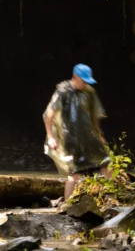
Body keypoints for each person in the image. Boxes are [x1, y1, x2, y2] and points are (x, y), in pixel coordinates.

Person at [43, 64, 112, 199]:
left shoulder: (90, 92)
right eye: (83, 80)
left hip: (90, 136)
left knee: (106, 164)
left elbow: (94, 116)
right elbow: (48, 115)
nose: (86, 83)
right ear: (75, 77)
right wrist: (51, 137)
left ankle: (115, 198)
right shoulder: (62, 92)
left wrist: (100, 135)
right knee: (74, 173)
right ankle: (67, 204)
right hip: (71, 139)